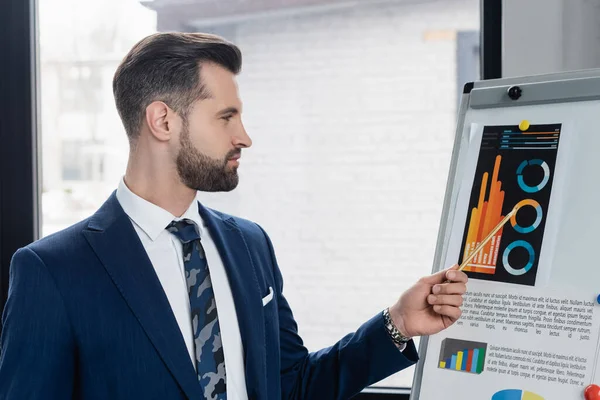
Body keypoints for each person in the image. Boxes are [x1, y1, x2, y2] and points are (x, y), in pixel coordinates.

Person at [0, 32, 468, 400]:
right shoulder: (53, 271)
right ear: (163, 120)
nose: (244, 136)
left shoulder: (250, 243)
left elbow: (293, 386)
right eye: (226, 117)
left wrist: (398, 322)